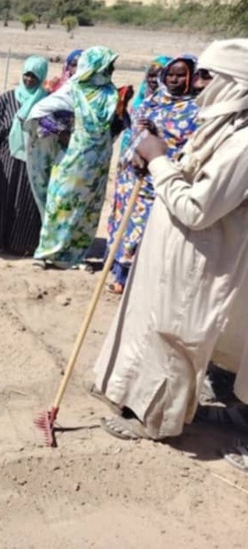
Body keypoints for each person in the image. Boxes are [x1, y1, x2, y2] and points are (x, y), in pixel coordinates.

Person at [93, 38, 248, 443]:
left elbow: (199, 209)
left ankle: (156, 419)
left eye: (209, 76)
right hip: (175, 249)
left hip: (202, 255)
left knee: (176, 331)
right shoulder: (223, 125)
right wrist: (156, 159)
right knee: (154, 324)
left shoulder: (244, 142)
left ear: (235, 83)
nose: (198, 83)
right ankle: (138, 397)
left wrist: (160, 160)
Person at [105, 54, 200, 293]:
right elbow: (137, 127)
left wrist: (158, 137)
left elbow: (192, 145)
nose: (174, 80)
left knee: (151, 229)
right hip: (136, 175)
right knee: (127, 225)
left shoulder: (197, 109)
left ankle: (142, 281)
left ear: (191, 78)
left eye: (181, 75)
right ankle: (121, 275)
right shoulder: (154, 99)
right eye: (170, 74)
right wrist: (140, 146)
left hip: (165, 176)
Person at [30, 46, 119, 269]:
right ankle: (47, 254)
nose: (111, 70)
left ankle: (74, 257)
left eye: (111, 66)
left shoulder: (110, 93)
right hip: (71, 159)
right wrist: (61, 131)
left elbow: (112, 126)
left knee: (87, 210)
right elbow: (39, 113)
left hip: (97, 163)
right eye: (107, 65)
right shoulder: (74, 89)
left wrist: (121, 114)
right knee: (61, 204)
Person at [0, 56, 49, 256]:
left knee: (26, 199)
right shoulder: (10, 97)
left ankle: (21, 243)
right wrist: (7, 132)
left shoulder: (46, 101)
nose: (29, 80)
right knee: (4, 194)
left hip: (33, 158)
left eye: (34, 76)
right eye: (26, 74)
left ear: (42, 77)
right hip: (9, 156)